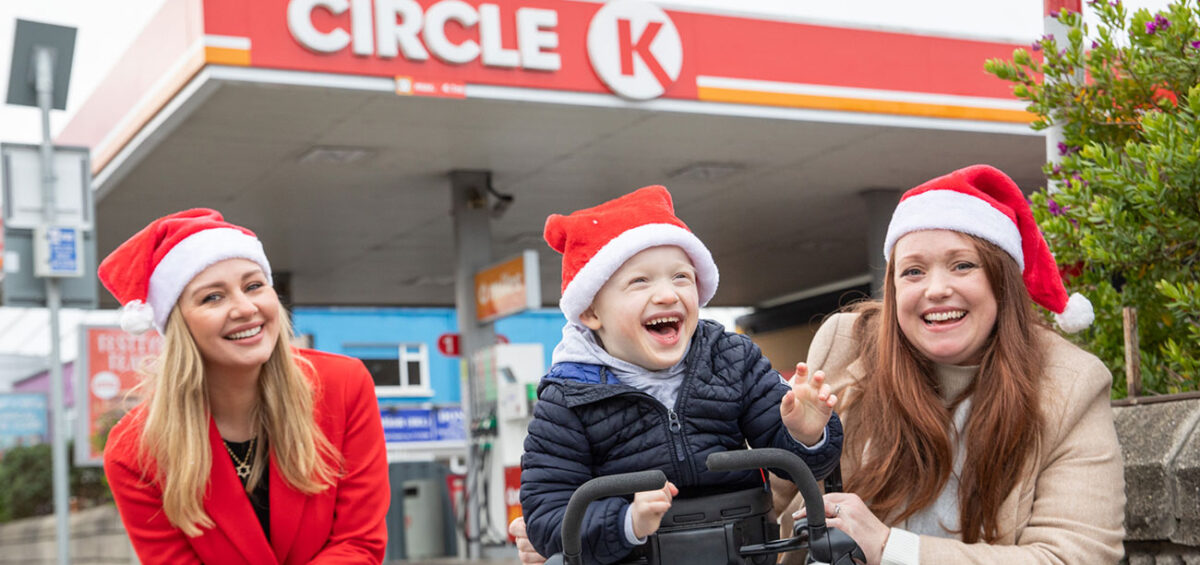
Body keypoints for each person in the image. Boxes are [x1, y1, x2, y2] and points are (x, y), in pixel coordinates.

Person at [775, 164, 1125, 564]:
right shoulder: (844, 345)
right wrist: (802, 444)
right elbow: (763, 510)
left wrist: (891, 548)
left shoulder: (1072, 383)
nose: (937, 290)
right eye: (913, 272)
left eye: (962, 265)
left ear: (1002, 280)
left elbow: (1076, 556)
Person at [518, 185, 844, 565]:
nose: (668, 295)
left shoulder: (730, 358)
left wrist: (806, 434)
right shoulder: (569, 396)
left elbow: (807, 465)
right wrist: (627, 522)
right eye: (640, 281)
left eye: (680, 278)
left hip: (742, 547)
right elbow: (547, 515)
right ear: (591, 312)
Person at [98, 209, 390, 564]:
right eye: (213, 297)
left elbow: (359, 543)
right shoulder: (135, 452)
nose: (245, 308)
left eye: (254, 286)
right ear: (178, 327)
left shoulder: (343, 385)